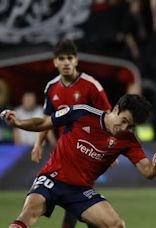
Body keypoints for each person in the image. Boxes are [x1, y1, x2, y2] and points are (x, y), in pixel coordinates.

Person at [2, 94, 156, 228]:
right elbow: (44, 122)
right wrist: (17, 123)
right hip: (51, 178)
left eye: (130, 126)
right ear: (115, 109)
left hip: (80, 191)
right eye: (123, 120)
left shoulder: (128, 140)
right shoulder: (82, 113)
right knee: (28, 214)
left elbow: (147, 171)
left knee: (117, 225)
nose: (124, 128)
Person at [32, 38, 112, 227]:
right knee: (80, 201)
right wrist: (38, 144)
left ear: (76, 60)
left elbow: (109, 118)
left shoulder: (91, 85)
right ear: (55, 62)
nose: (66, 62)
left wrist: (110, 147)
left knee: (78, 198)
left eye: (70, 58)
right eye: (61, 58)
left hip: (88, 151)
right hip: (64, 151)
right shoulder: (51, 88)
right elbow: (46, 119)